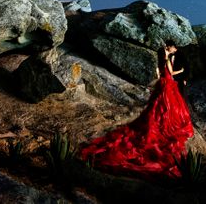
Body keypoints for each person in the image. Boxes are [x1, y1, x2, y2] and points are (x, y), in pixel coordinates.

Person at [79, 40, 194, 178]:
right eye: (173, 48)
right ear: (168, 49)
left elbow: (159, 73)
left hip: (163, 82)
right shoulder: (167, 59)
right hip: (168, 83)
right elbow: (171, 72)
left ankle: (161, 118)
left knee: (159, 104)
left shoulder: (161, 59)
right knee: (167, 105)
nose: (174, 49)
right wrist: (180, 71)